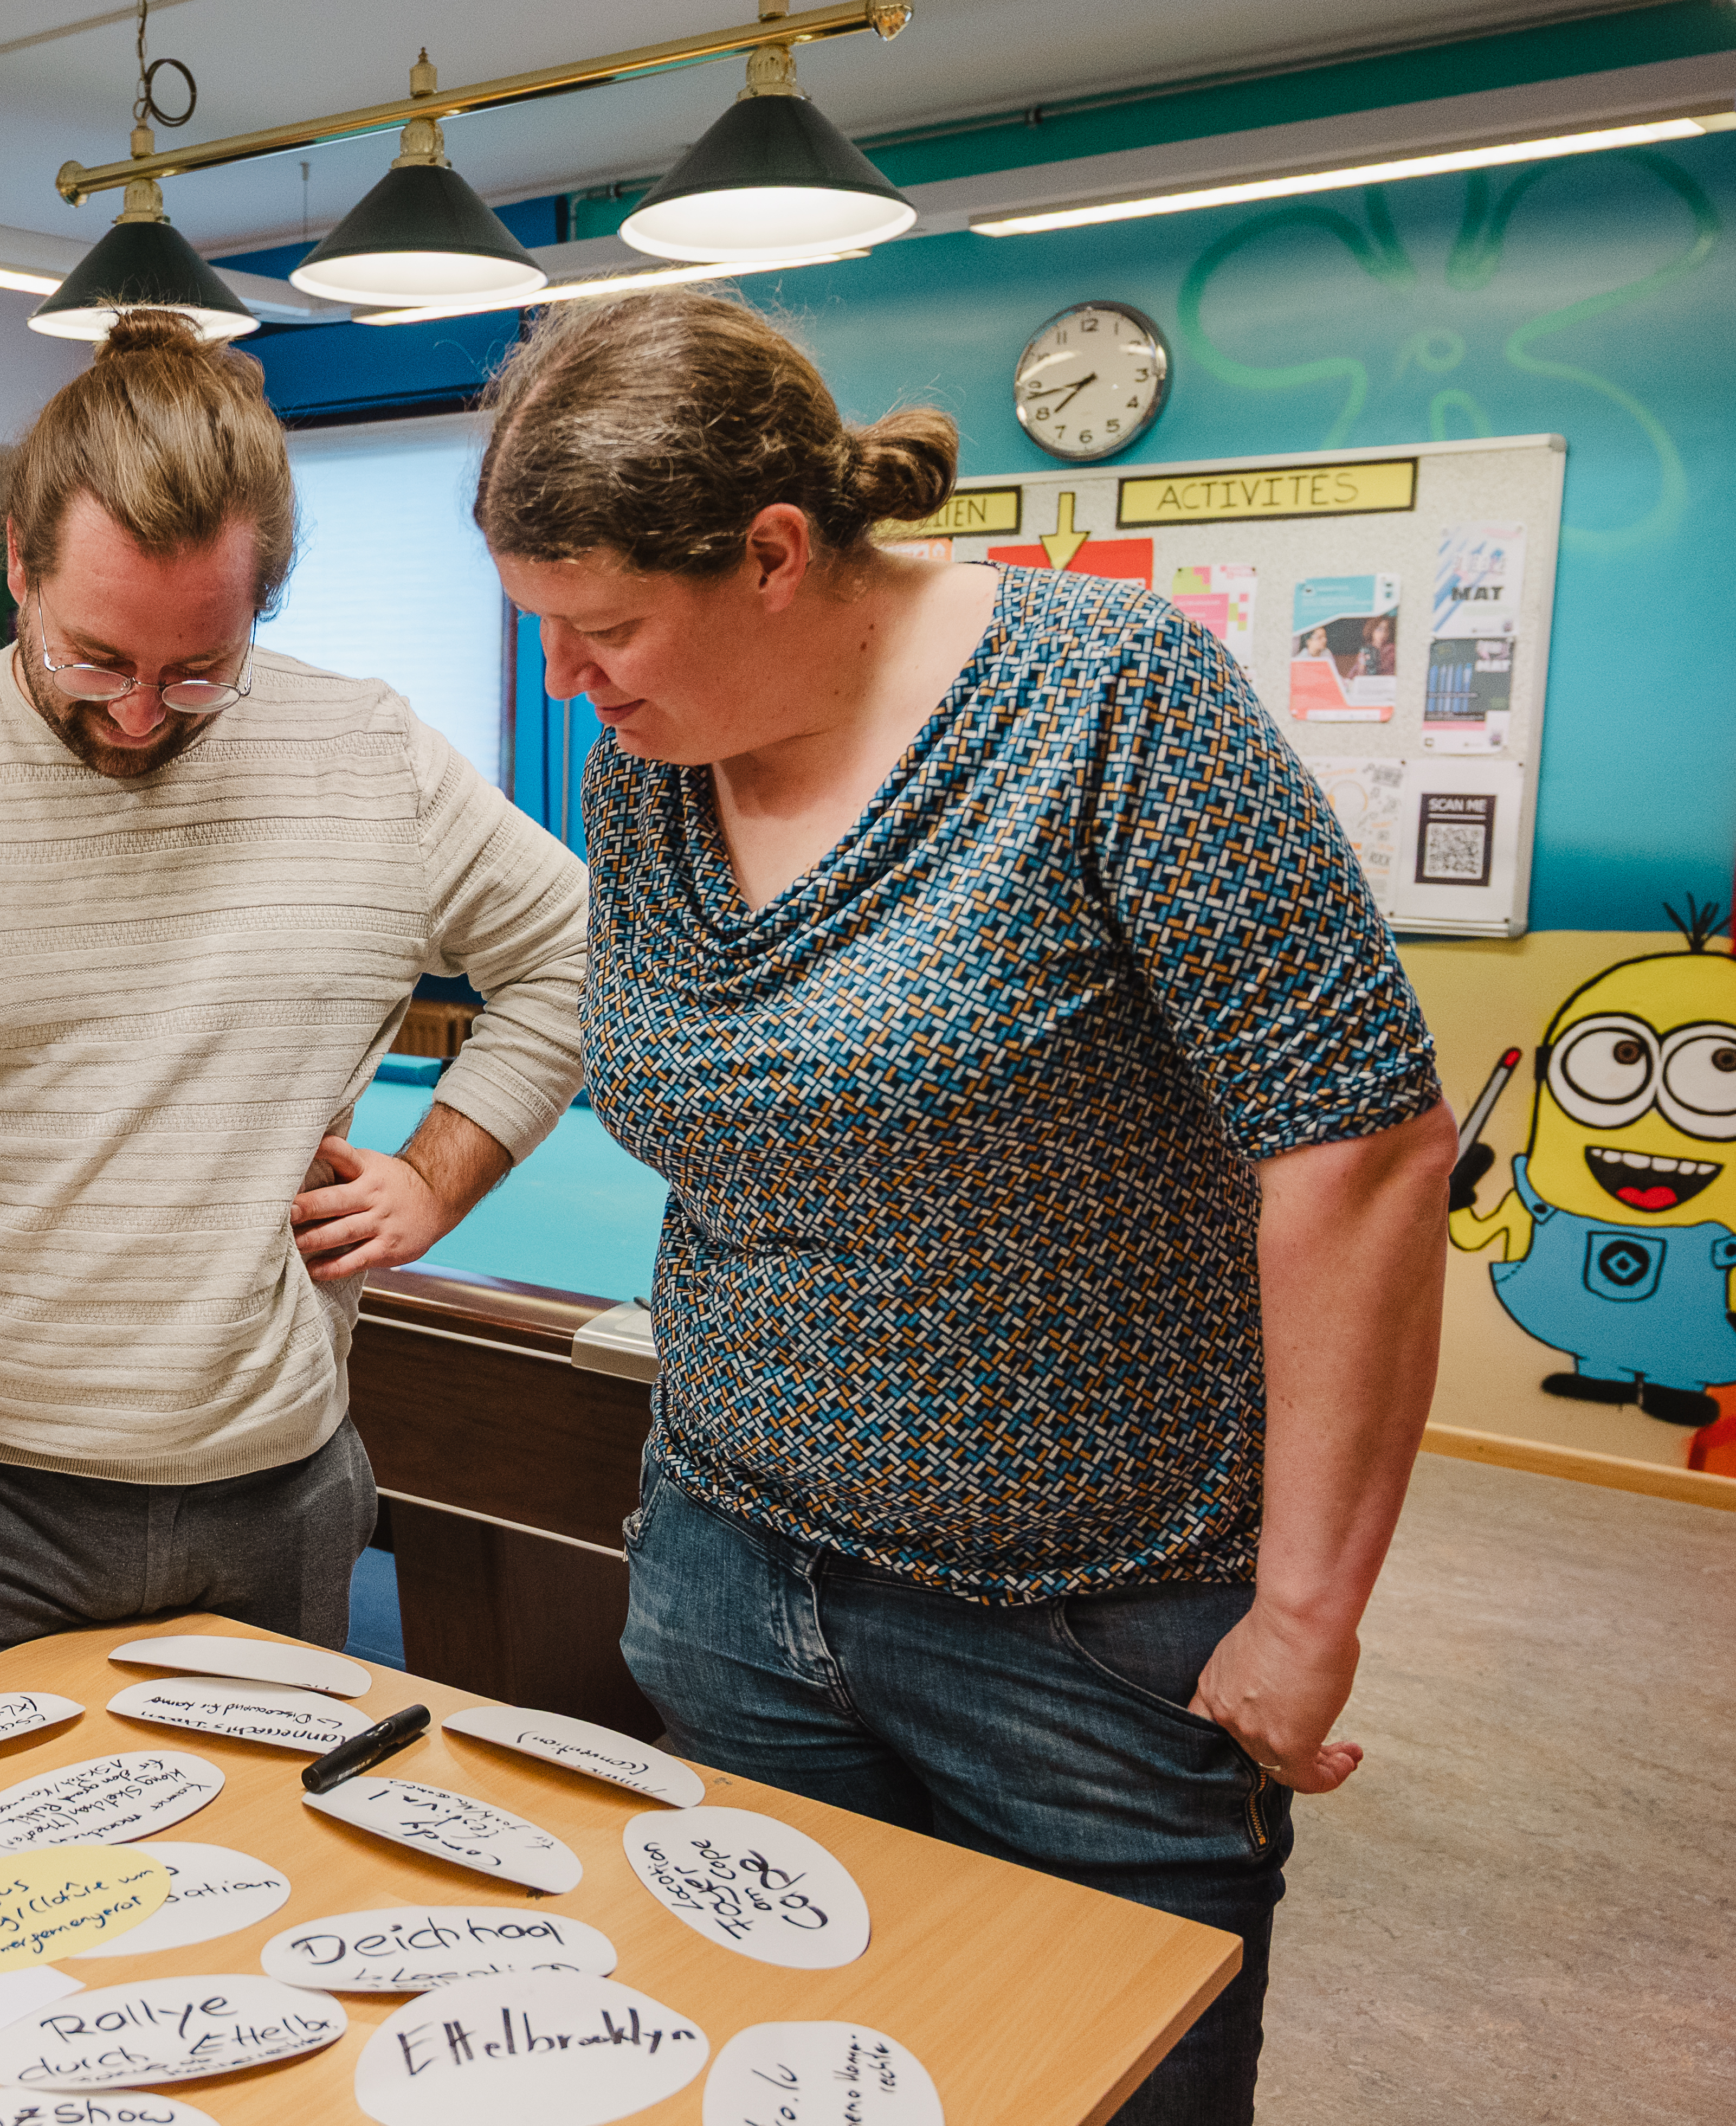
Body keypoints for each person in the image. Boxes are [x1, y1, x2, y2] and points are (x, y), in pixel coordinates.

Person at [473, 291, 1453, 2126]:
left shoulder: (1111, 699)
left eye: (600, 628)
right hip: (727, 1570)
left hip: (1083, 1621)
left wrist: (1306, 1608)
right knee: (784, 2075)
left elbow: (1359, 1147)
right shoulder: (645, 774)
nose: (563, 680)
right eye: (543, 628)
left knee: (1098, 2082)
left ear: (774, 554)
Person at [0, 311, 589, 1698]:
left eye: (197, 671)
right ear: (18, 562)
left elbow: (581, 953)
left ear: (262, 604)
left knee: (274, 1843)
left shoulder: (369, 754)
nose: (136, 714)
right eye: (97, 658)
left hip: (281, 1491)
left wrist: (438, 1173)